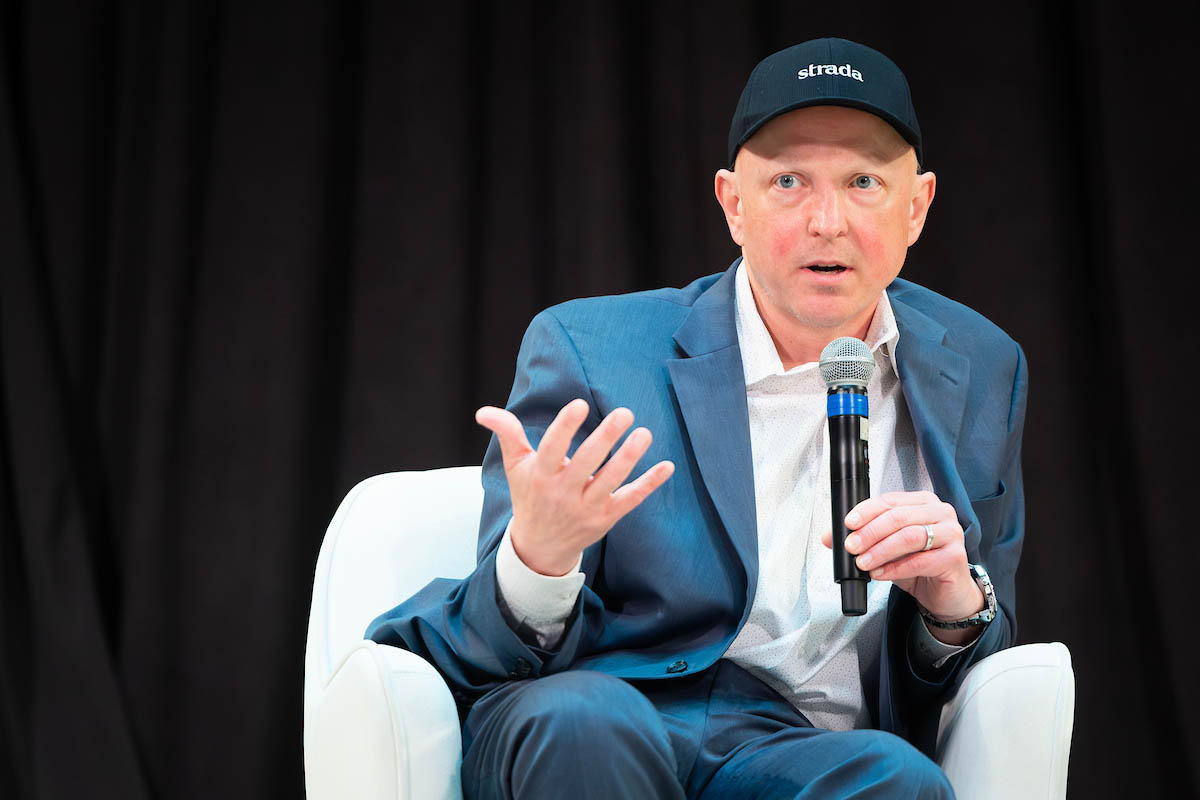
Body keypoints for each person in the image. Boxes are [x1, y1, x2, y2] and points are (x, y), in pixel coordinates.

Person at [367, 37, 1026, 799]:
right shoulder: (593, 348)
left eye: (863, 182)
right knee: (587, 722)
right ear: (733, 204)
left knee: (897, 781)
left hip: (794, 745)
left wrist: (952, 600)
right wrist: (538, 561)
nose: (827, 221)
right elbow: (491, 639)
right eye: (787, 181)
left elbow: (978, 645)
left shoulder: (981, 366)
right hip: (599, 701)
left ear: (916, 208)